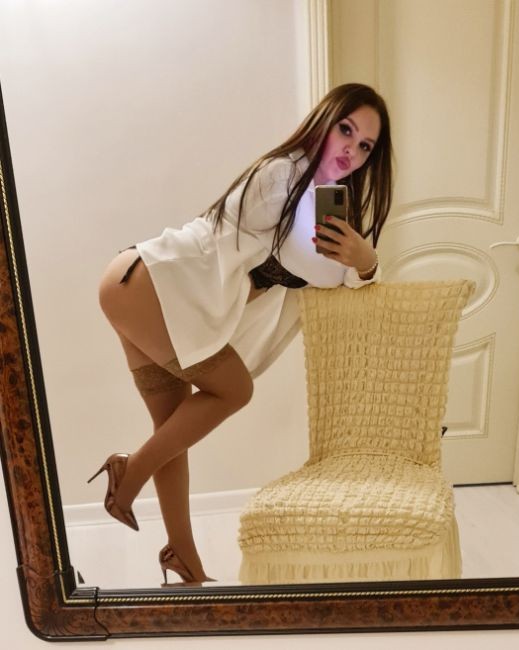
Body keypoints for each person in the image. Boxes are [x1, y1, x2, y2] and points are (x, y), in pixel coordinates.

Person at [91, 83, 393, 586]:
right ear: (322, 122)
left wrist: (363, 261)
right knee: (234, 389)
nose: (351, 150)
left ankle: (185, 562)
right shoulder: (282, 176)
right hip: (149, 285)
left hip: (143, 290)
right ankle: (129, 472)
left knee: (172, 432)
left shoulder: (318, 201)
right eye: (345, 129)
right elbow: (320, 270)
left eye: (365, 145)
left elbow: (336, 275)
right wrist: (360, 262)